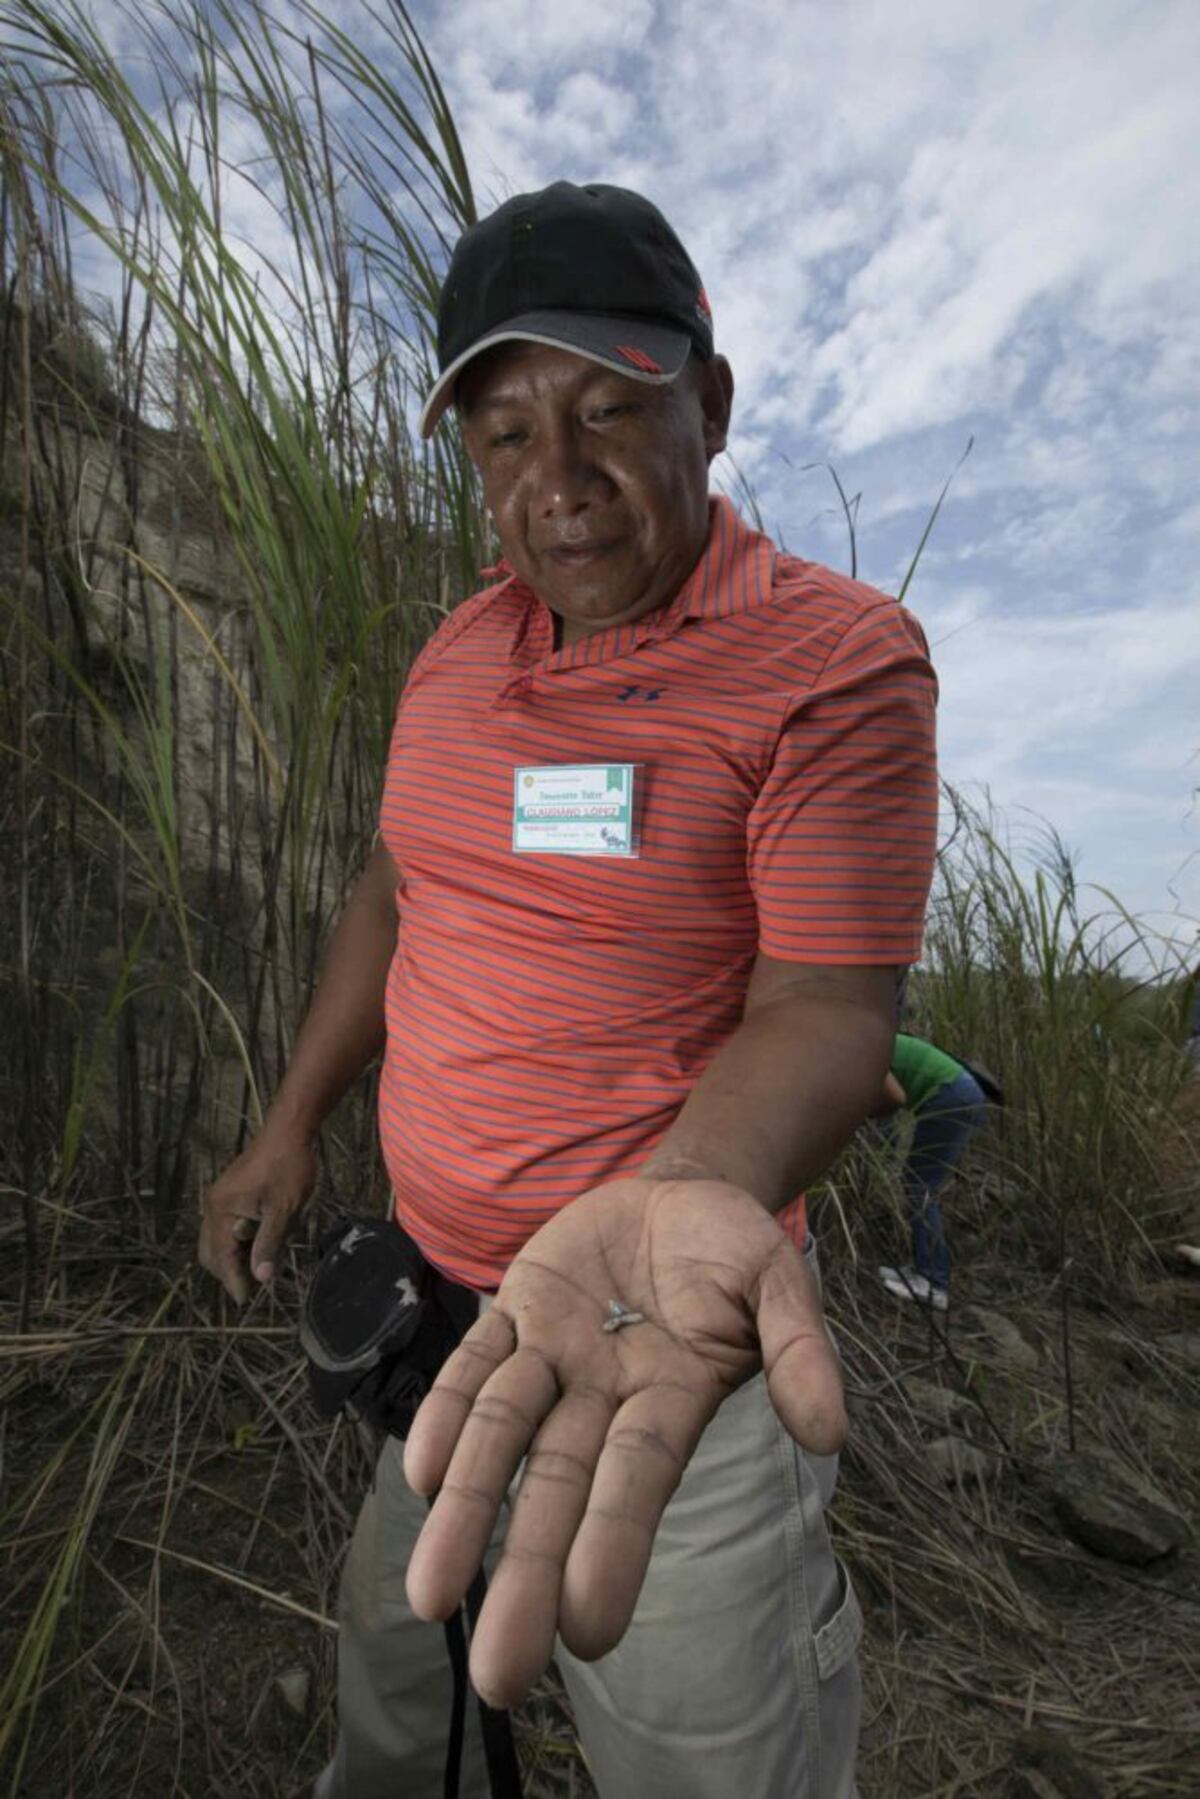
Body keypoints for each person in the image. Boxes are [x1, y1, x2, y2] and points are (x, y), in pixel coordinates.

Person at [199, 180, 939, 1799]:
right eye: (506, 438)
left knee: (699, 1752)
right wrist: (287, 1125)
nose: (561, 485)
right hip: (439, 1329)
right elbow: (396, 889)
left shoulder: (836, 659)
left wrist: (685, 1193)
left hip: (655, 1343)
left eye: (608, 412)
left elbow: (827, 1003)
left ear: (713, 403)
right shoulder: (457, 653)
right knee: (399, 1717)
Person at [875, 1035, 992, 1311]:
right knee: (919, 1184)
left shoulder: (861, 1046)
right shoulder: (866, 1036)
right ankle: (924, 1269)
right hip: (960, 1091)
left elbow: (893, 1098)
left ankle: (932, 1282)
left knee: (920, 1186)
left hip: (953, 1094)